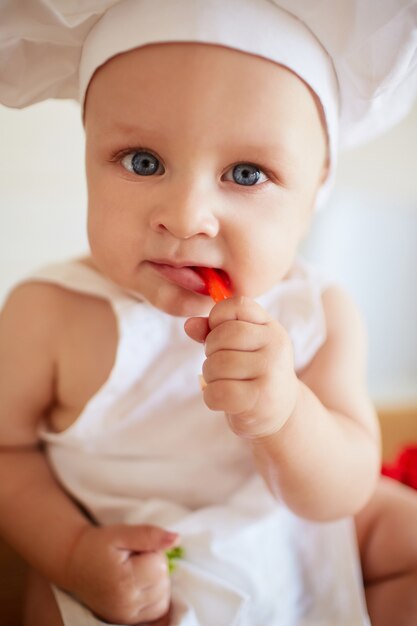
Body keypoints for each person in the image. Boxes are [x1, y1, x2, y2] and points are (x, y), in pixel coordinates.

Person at [0, 1, 416, 625]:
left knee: (403, 530)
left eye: (246, 174)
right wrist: (71, 552)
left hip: (293, 537)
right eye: (143, 162)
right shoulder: (49, 313)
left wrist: (285, 414)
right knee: (48, 601)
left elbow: (344, 489)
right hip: (137, 564)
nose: (187, 216)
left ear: (314, 191)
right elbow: (7, 455)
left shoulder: (318, 313)